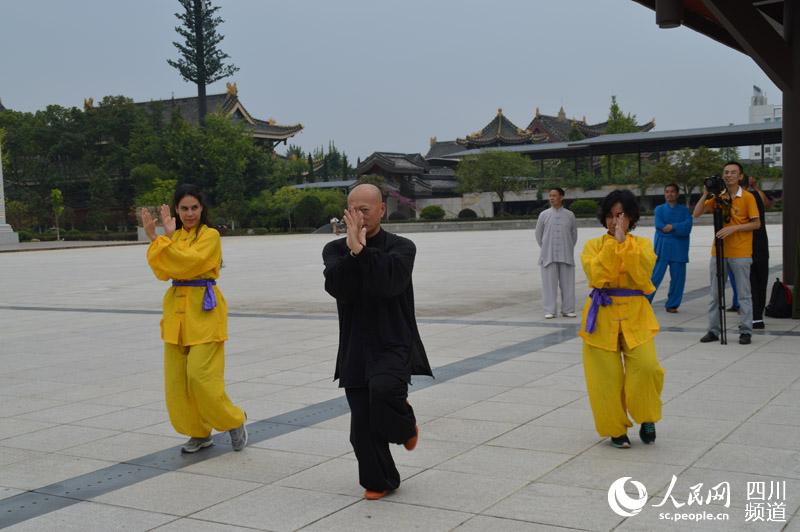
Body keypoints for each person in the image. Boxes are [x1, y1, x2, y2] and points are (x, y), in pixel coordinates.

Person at [322, 183, 433, 501]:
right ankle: (381, 479)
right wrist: (351, 252)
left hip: (393, 340)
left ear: (382, 210)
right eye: (352, 210)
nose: (358, 216)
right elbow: (338, 287)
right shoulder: (334, 250)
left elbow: (390, 284)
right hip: (355, 344)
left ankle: (405, 426)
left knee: (384, 391)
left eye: (365, 210)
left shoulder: (402, 247)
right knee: (361, 425)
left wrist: (361, 252)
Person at [141, 184, 247, 454]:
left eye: (194, 208)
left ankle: (233, 420)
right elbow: (162, 270)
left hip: (204, 311)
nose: (189, 213)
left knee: (201, 376)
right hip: (176, 313)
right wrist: (157, 238)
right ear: (177, 210)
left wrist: (163, 241)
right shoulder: (174, 237)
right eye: (184, 208)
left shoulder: (210, 235)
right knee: (177, 382)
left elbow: (190, 262)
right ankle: (198, 432)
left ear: (202, 209)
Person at [579, 190, 664, 448]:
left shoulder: (642, 245)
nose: (615, 221)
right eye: (610, 215)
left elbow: (642, 275)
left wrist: (624, 244)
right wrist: (613, 245)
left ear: (631, 218)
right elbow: (597, 276)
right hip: (601, 315)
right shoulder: (593, 246)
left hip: (636, 314)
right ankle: (615, 429)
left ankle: (647, 417)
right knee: (605, 377)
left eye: (621, 215)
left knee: (647, 367)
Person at [693, 161, 761, 345]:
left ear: (740, 176)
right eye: (726, 172)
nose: (729, 175)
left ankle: (745, 331)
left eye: (733, 172)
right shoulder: (719, 197)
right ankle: (713, 330)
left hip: (741, 252)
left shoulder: (748, 197)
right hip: (719, 251)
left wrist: (734, 228)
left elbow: (756, 223)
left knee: (744, 294)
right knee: (715, 294)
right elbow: (696, 213)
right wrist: (706, 193)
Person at [648, 183, 693, 313]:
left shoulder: (684, 211)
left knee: (678, 279)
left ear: (677, 194)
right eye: (667, 191)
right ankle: (645, 301)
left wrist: (672, 227)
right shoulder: (659, 210)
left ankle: (672, 304)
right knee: (655, 277)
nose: (669, 194)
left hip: (679, 249)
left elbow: (687, 228)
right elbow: (660, 227)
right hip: (662, 249)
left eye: (672, 191)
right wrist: (678, 229)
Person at [535, 187, 578, 319]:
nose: (551, 198)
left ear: (561, 197)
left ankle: (568, 309)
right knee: (549, 284)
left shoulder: (570, 215)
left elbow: (574, 235)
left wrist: (567, 247)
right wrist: (546, 247)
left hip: (566, 254)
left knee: (568, 284)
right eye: (550, 196)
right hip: (548, 255)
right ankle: (550, 310)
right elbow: (538, 235)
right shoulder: (544, 215)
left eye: (554, 195)